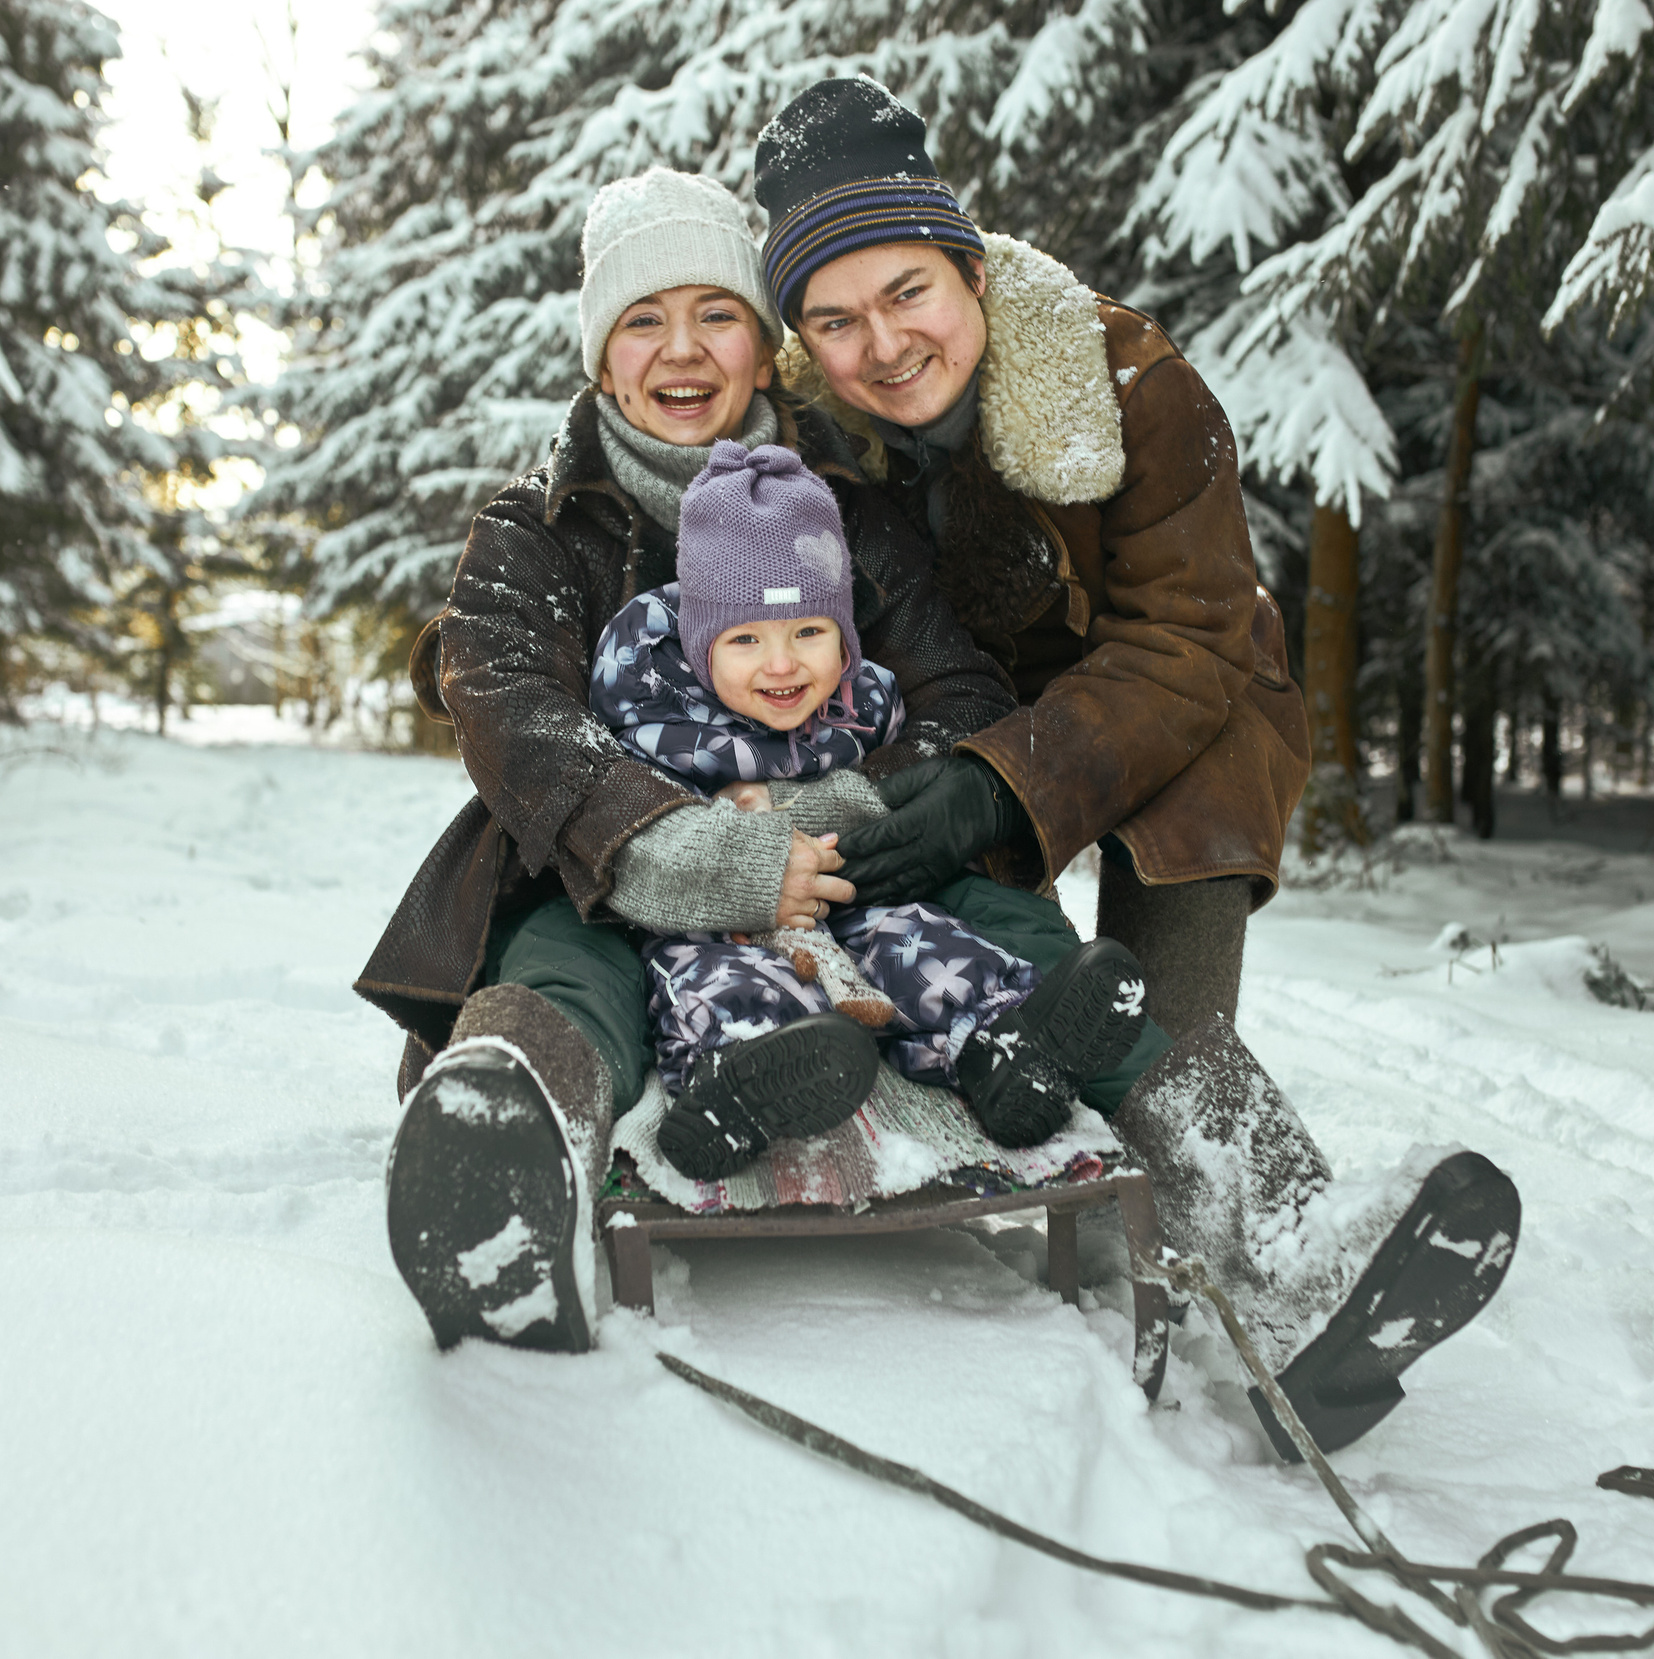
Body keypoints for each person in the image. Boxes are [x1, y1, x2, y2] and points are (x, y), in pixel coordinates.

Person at [750, 76, 1522, 1454]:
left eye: (910, 291)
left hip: (1173, 709)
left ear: (970, 269)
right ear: (801, 337)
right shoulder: (805, 436)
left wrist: (1010, 779)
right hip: (952, 718)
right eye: (835, 317)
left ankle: (1298, 1251)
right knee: (1045, 1000)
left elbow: (1190, 633)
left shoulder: (1135, 385)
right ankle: (1126, 1204)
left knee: (1167, 1006)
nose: (884, 343)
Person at [360, 167, 1091, 1355]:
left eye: (715, 315)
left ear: (761, 347)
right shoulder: (535, 525)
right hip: (610, 862)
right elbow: (506, 706)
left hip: (846, 847)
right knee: (565, 960)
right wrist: (680, 847)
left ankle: (1208, 1150)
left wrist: (829, 808)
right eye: (643, 321)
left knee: (983, 904)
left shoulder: (850, 509)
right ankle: (506, 1153)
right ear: (603, 361)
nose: (681, 349)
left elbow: (957, 693)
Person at [590, 438, 1148, 1181]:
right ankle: (739, 1082)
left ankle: (1006, 1051)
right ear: (700, 645)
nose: (782, 664)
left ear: (844, 636)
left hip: (848, 898)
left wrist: (824, 809)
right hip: (716, 914)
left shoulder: (865, 706)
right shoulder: (656, 713)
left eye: (809, 633)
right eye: (746, 639)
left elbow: (894, 786)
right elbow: (633, 820)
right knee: (718, 979)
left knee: (922, 939)